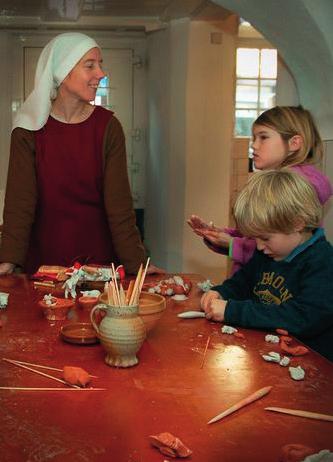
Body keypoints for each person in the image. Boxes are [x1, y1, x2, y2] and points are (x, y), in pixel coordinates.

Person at [0, 32, 161, 275]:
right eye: (90, 66)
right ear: (63, 73)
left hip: (98, 266)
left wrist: (137, 264)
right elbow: (19, 204)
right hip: (44, 266)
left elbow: (119, 207)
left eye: (101, 64)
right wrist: (8, 261)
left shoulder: (108, 127)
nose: (101, 73)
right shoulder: (28, 130)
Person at [201, 169, 333, 362]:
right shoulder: (268, 253)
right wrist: (221, 292)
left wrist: (232, 311)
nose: (260, 246)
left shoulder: (323, 262)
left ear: (297, 223)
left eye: (265, 238)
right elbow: (243, 282)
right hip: (269, 354)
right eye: (255, 238)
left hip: (313, 368)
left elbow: (302, 318)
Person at [188, 106, 332, 271]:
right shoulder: (276, 183)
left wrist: (231, 243)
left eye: (263, 137)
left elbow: (279, 250)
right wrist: (221, 234)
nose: (254, 145)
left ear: (294, 143)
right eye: (254, 138)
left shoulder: (293, 189)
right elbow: (263, 233)